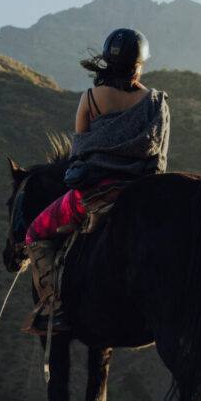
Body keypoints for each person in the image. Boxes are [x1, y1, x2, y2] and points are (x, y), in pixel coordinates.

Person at [23, 28, 170, 334]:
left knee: (35, 232)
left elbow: (78, 154)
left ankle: (53, 308)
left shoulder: (90, 98)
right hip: (140, 194)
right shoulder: (156, 103)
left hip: (94, 196)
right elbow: (159, 162)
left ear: (107, 61)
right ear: (140, 64)